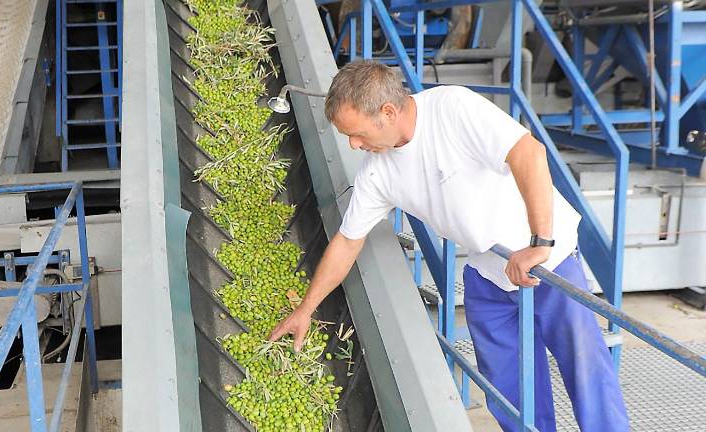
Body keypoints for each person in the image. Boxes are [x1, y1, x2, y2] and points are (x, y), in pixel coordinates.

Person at [268, 60, 629, 432]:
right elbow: (347, 242)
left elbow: (529, 153)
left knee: (585, 370)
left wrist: (540, 243)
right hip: (487, 274)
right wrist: (306, 309)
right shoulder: (377, 172)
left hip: (549, 265)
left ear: (387, 112)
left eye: (356, 133)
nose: (354, 145)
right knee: (508, 390)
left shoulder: (453, 109)